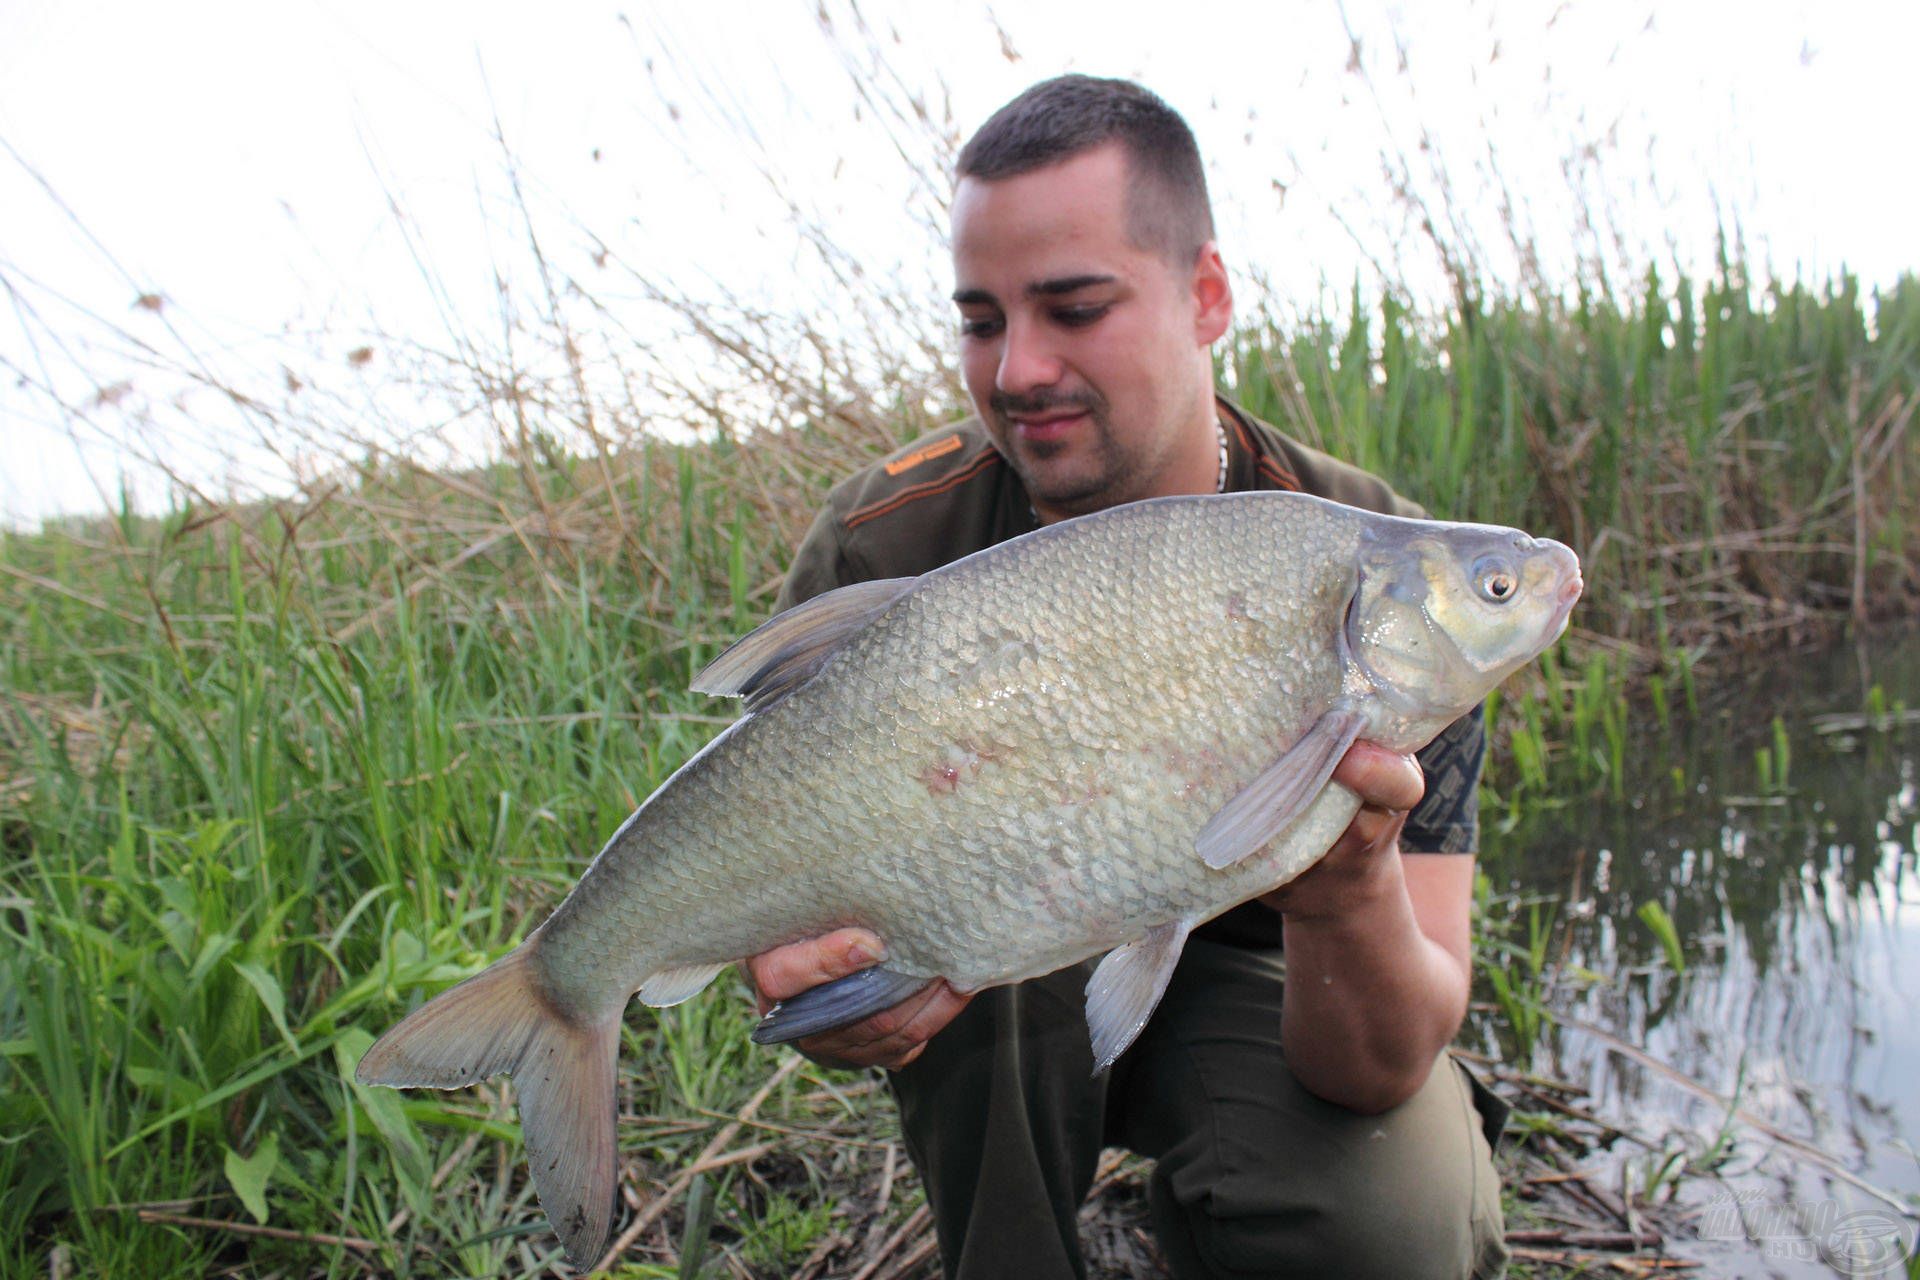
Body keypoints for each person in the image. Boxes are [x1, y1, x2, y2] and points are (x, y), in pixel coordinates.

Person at [746, 75, 1510, 1280]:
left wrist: (1347, 881)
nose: (1017, 370)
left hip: (1264, 973)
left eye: (1074, 307)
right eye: (981, 318)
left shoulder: (1394, 573)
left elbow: (1385, 1056)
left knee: (1400, 1225)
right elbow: (774, 887)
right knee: (986, 902)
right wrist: (799, 970)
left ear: (1206, 297)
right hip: (1002, 976)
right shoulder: (883, 547)